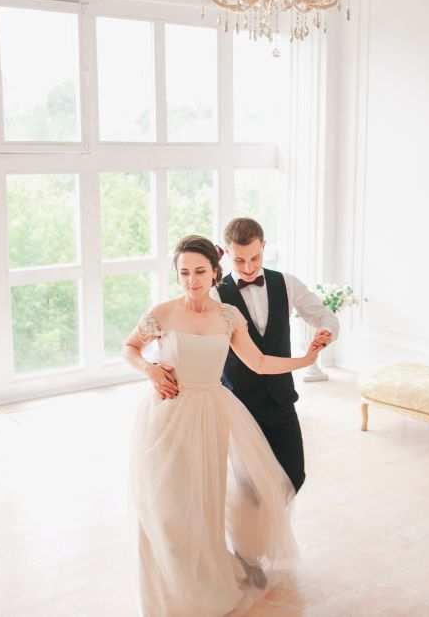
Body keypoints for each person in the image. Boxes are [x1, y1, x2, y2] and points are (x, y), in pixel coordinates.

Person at [122, 235, 325, 616]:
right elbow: (129, 348)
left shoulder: (228, 317)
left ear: (215, 272)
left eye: (199, 272)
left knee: (203, 505)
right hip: (167, 416)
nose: (191, 280)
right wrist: (149, 368)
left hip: (210, 417)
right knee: (166, 506)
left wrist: (305, 359)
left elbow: (260, 362)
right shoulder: (162, 313)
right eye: (184, 273)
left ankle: (203, 585)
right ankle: (166, 590)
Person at [211, 217, 339, 493]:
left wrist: (326, 332)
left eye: (255, 258)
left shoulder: (286, 283)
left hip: (282, 397)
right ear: (227, 252)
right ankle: (253, 536)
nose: (248, 268)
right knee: (251, 486)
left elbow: (323, 315)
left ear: (264, 247)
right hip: (239, 403)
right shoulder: (215, 294)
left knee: (294, 476)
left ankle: (271, 531)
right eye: (239, 260)